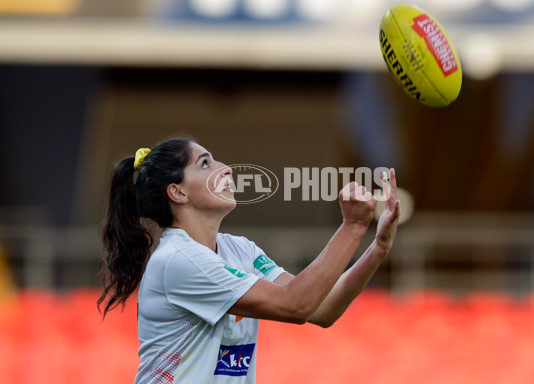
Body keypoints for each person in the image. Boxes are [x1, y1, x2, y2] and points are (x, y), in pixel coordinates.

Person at [98, 137, 400, 384]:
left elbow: (321, 309)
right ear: (177, 192)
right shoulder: (178, 260)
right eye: (205, 163)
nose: (226, 169)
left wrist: (377, 249)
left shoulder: (240, 250)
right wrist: (353, 227)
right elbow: (296, 305)